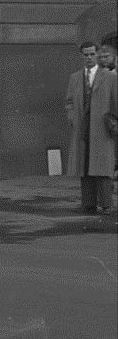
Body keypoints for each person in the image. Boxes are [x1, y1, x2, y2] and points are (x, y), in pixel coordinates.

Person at [64, 40, 118, 214]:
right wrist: (72, 118)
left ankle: (107, 204)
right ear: (82, 56)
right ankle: (88, 203)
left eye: (92, 54)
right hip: (82, 128)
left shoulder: (110, 77)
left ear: (97, 54)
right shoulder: (75, 77)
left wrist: (114, 123)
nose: (89, 57)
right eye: (85, 55)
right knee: (84, 165)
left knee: (102, 168)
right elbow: (69, 101)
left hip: (102, 128)